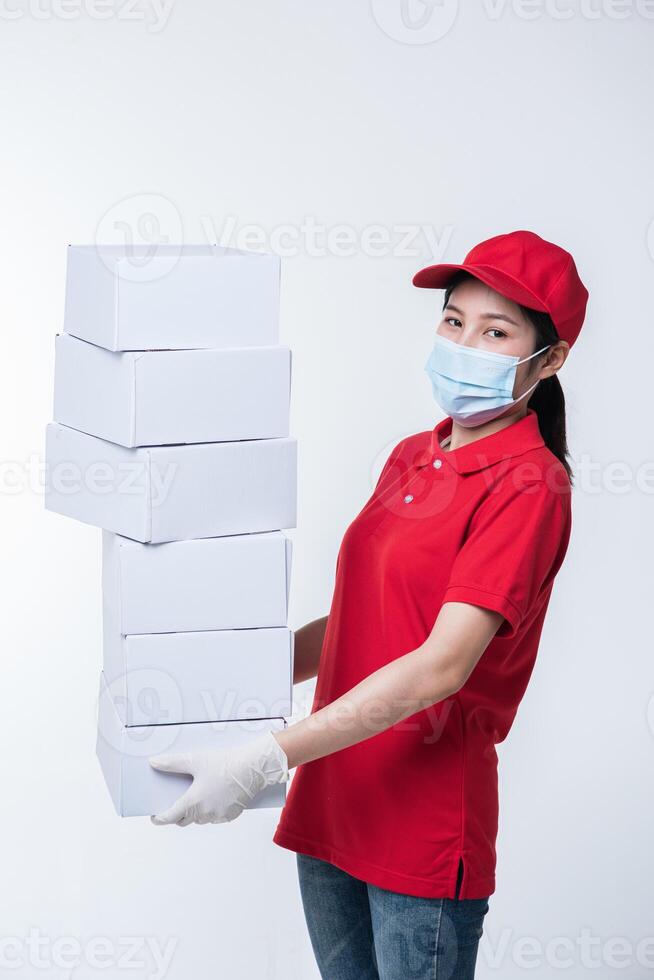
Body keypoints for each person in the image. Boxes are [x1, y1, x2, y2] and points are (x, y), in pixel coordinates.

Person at [148, 229, 589, 980]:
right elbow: (363, 615)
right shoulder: (414, 452)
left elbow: (440, 667)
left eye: (495, 331)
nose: (465, 344)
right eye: (454, 322)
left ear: (548, 361)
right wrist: (226, 676)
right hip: (333, 797)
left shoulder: (529, 485)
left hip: (420, 828)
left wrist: (263, 759)